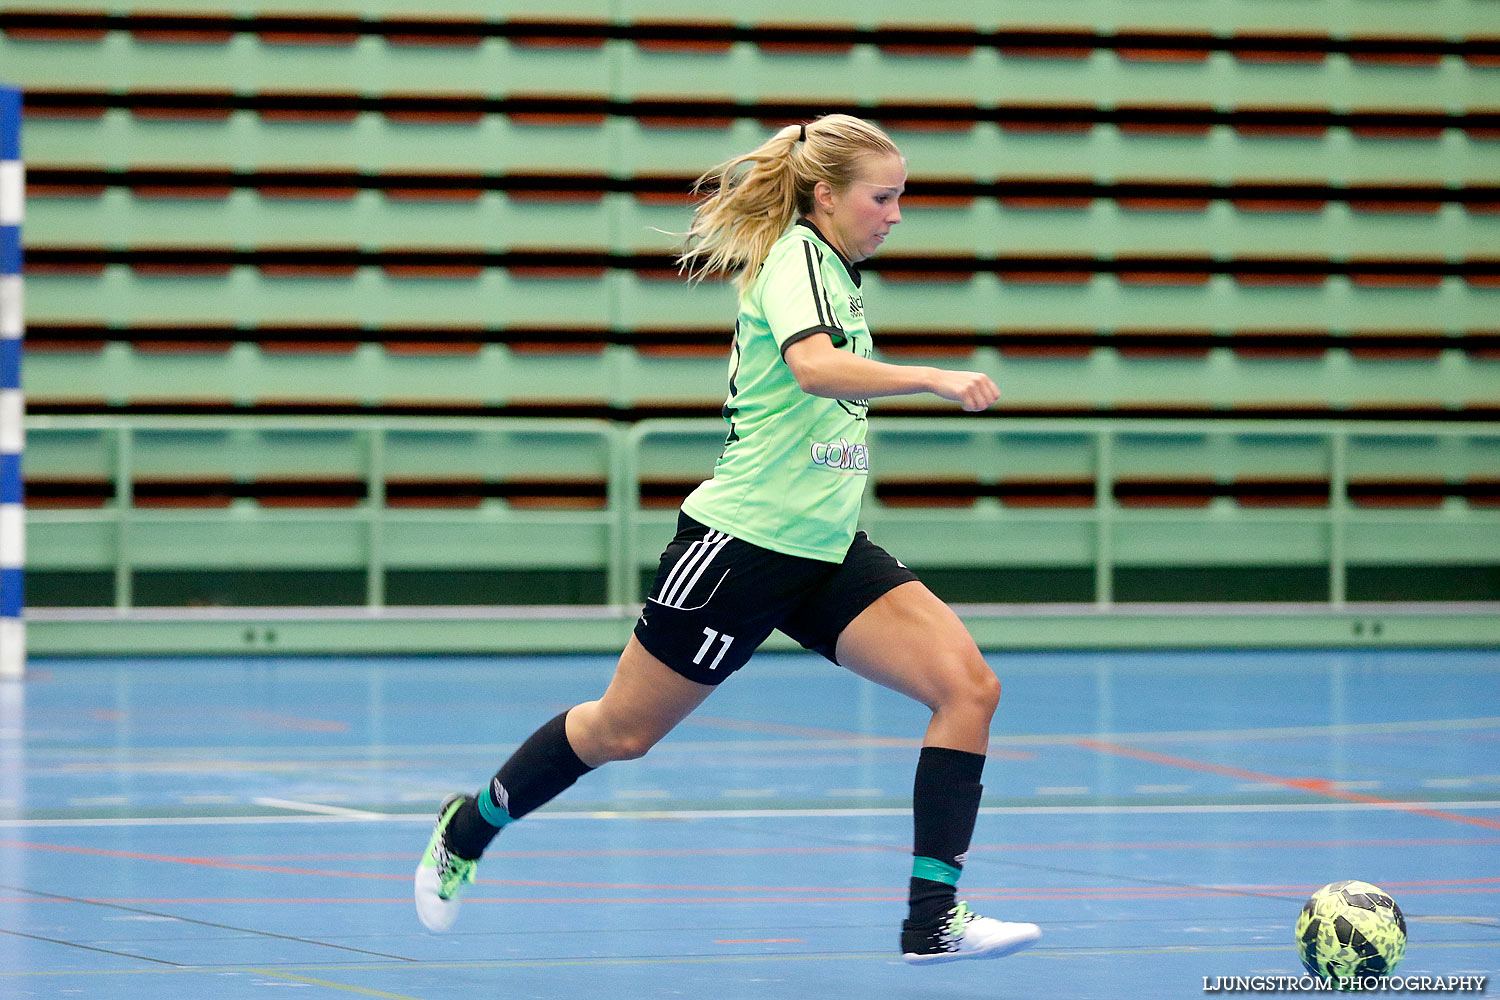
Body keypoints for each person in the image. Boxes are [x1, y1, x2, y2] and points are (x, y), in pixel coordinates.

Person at [415, 113, 1041, 964]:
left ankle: (932, 918)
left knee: (969, 688)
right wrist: (931, 376)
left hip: (825, 548)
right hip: (739, 548)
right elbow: (814, 366)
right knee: (620, 734)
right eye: (882, 197)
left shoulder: (838, 272)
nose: (895, 214)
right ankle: (470, 824)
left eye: (901, 198)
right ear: (827, 196)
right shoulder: (797, 262)